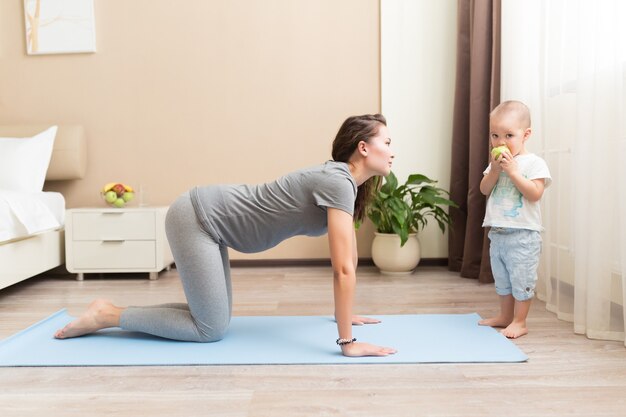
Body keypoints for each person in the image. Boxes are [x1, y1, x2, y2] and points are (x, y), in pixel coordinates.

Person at [55, 114, 397, 357]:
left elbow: (347, 257)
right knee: (210, 329)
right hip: (197, 217)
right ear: (364, 148)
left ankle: (111, 310)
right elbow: (343, 271)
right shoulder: (337, 181)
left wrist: (344, 313)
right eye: (387, 142)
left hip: (210, 223)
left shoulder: (343, 185)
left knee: (212, 318)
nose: (392, 150)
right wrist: (347, 342)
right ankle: (106, 315)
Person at [478, 100, 552, 339]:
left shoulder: (533, 163)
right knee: (503, 279)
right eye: (495, 135)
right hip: (498, 233)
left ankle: (520, 321)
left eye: (509, 135)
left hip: (523, 235)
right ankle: (505, 316)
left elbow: (534, 193)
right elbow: (484, 189)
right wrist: (496, 171)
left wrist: (513, 172)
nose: (500, 142)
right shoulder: (496, 164)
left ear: (526, 134)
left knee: (522, 280)